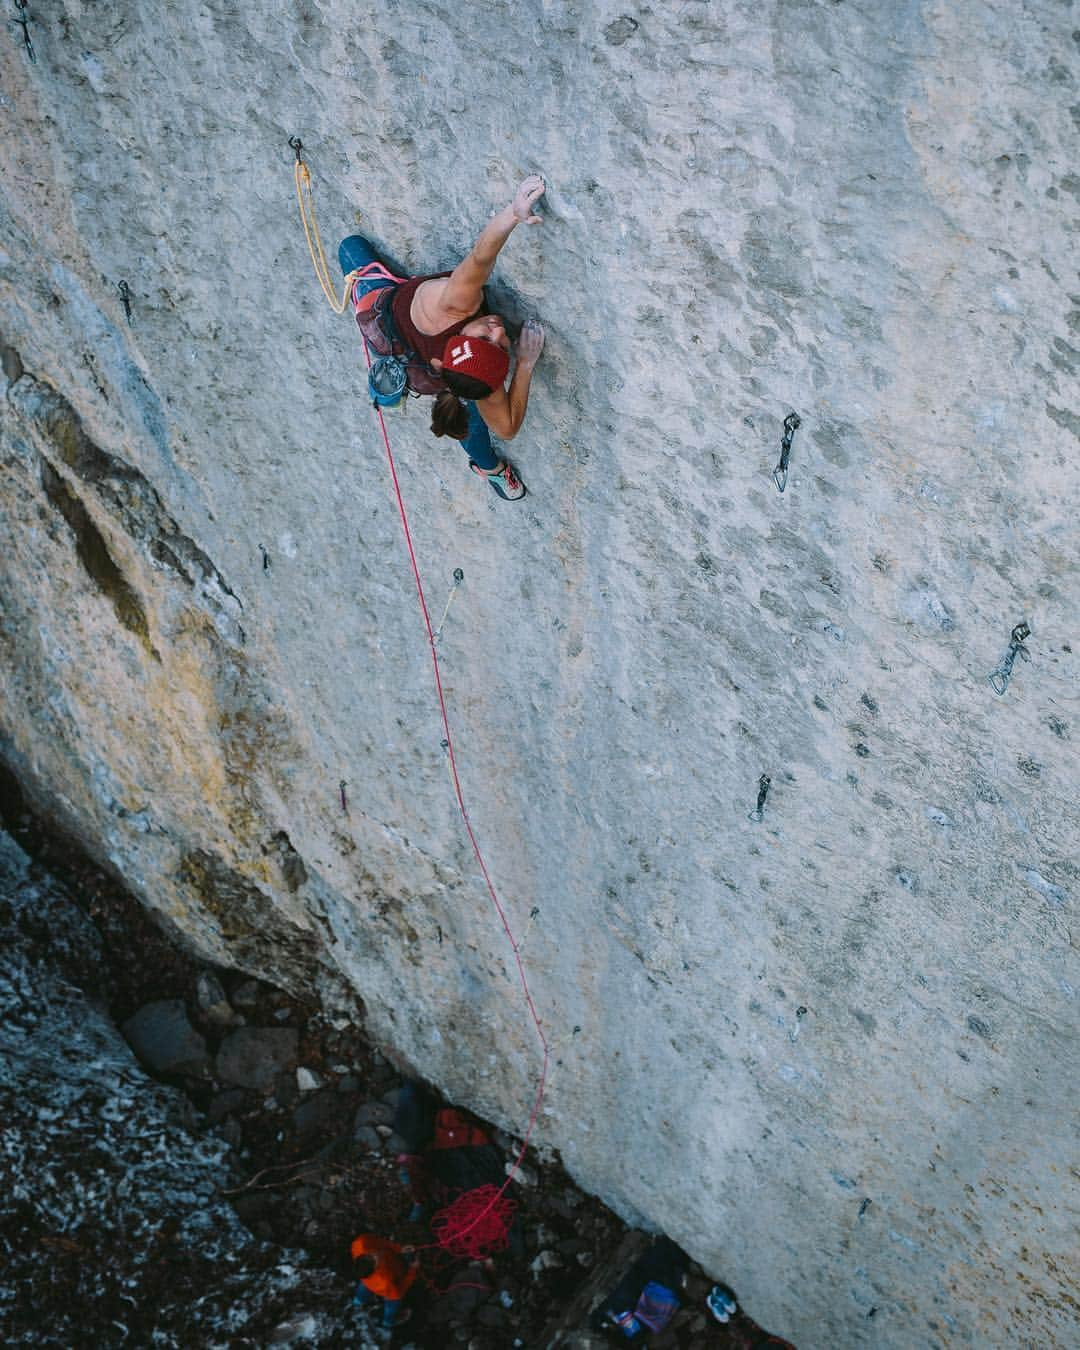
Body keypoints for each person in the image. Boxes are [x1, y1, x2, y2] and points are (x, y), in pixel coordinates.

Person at [338, 174, 547, 502]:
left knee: (349, 248)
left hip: (397, 333)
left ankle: (486, 466)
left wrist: (514, 212)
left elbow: (481, 257)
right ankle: (487, 467)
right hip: (403, 337)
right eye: (498, 341)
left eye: (487, 337)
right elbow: (506, 428)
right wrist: (524, 365)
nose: (497, 329)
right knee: (472, 423)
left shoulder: (465, 329)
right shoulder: (462, 332)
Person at [350, 1232, 417, 1329]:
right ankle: (388, 1321)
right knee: (391, 1304)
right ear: (374, 1270)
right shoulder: (384, 1282)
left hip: (366, 1282)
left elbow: (379, 1241)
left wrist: (399, 1248)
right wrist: (413, 1270)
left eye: (369, 1255)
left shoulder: (359, 1244)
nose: (375, 1255)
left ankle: (358, 1302)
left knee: (363, 1288)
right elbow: (397, 1294)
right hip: (385, 1288)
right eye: (375, 1261)